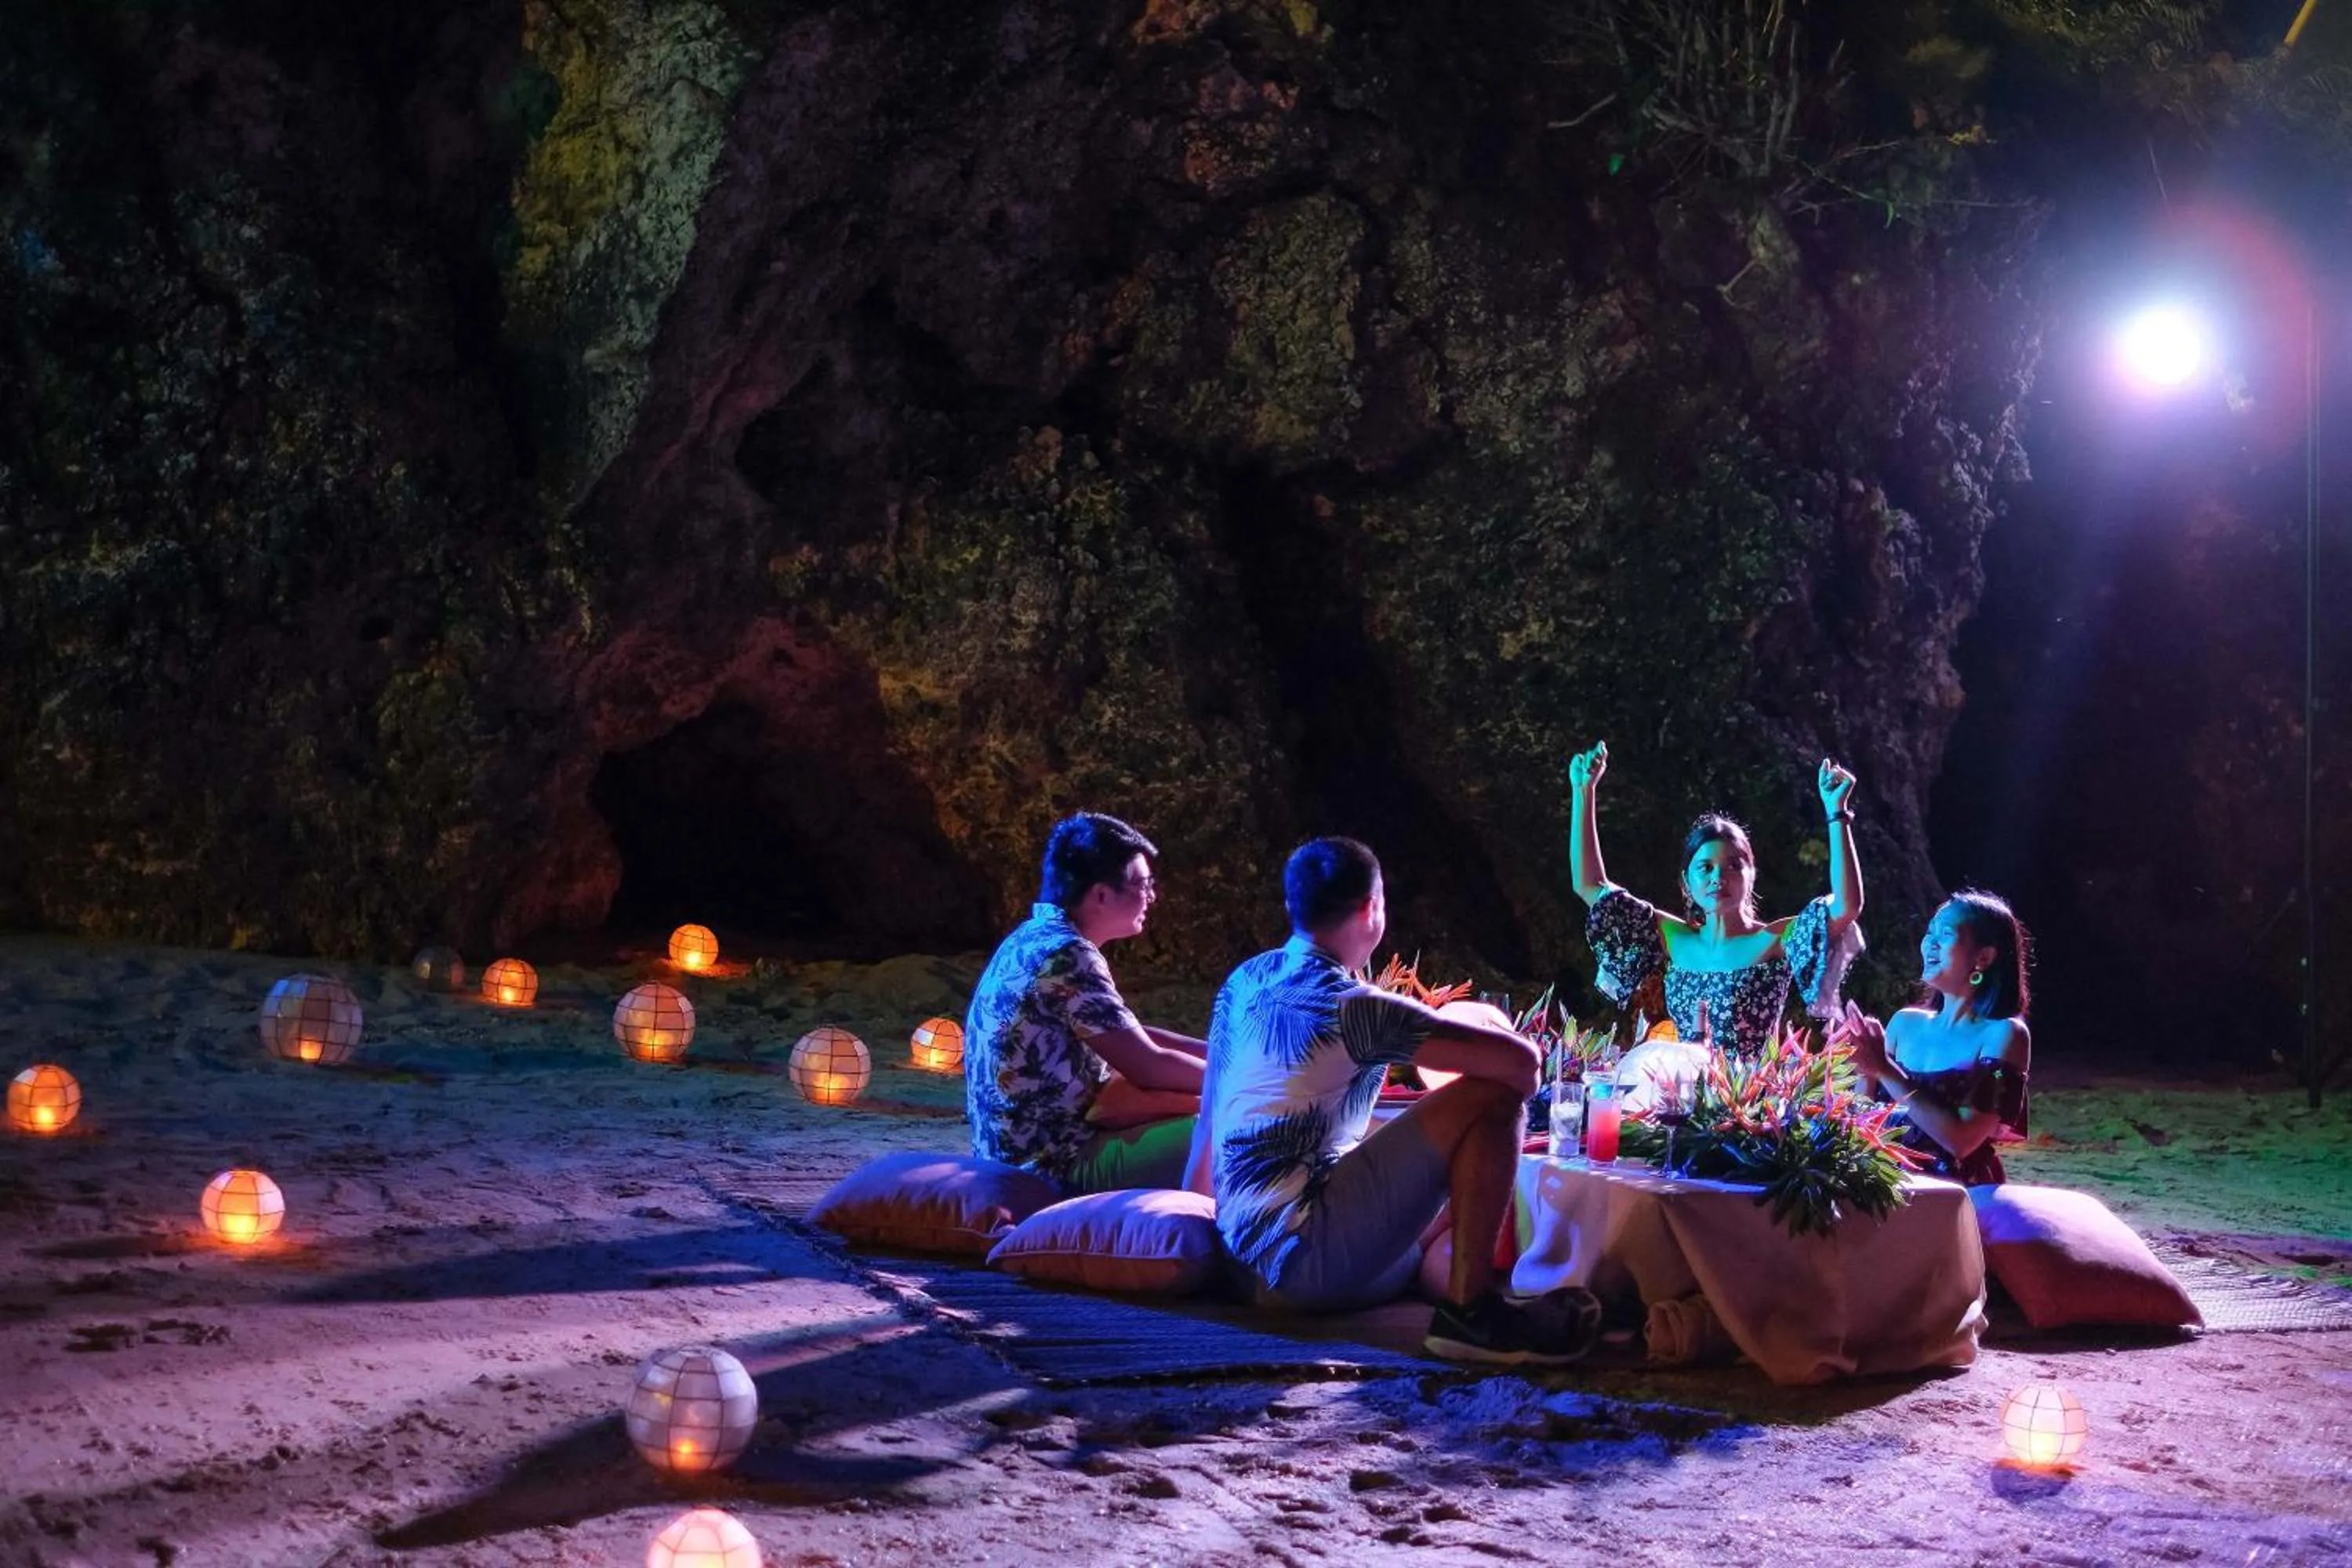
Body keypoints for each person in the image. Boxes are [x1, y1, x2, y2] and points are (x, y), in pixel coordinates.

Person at [1199, 836, 1602, 1365]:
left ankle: (1473, 1292)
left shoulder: (1245, 982)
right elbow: (1520, 1066)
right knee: (1492, 1098)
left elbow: (1211, 1106)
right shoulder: (1354, 1006)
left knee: (1440, 1216)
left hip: (1238, 1259)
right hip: (1303, 1263)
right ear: (1372, 908)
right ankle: (1470, 1315)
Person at [1566, 740, 1865, 1056]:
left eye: (1734, 866)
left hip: (1748, 1100)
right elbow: (1591, 886)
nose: (1717, 878)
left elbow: (1846, 906)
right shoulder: (1675, 938)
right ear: (1687, 880)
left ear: (1752, 875)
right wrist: (1584, 791)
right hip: (1684, 1096)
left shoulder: (1774, 940)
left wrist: (1837, 814)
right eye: (1705, 867)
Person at [964, 812, 1208, 1192]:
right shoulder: (1069, 955)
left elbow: (1128, 1035)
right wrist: (1254, 1079)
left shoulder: (1032, 937)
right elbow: (1147, 1065)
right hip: (1052, 1165)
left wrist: (1229, 1054)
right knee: (1238, 1129)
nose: (1153, 897)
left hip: (1016, 1152)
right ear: (1100, 894)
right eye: (1143, 885)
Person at [1827, 890, 2033, 1185]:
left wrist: (1885, 1069)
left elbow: (1962, 1141)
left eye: (1945, 934)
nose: (1929, 943)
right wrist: (1863, 1067)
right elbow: (1863, 1122)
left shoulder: (2004, 1034)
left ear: (1983, 958)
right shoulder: (1905, 1023)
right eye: (1929, 932)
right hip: (1886, 1183)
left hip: (1956, 1192)